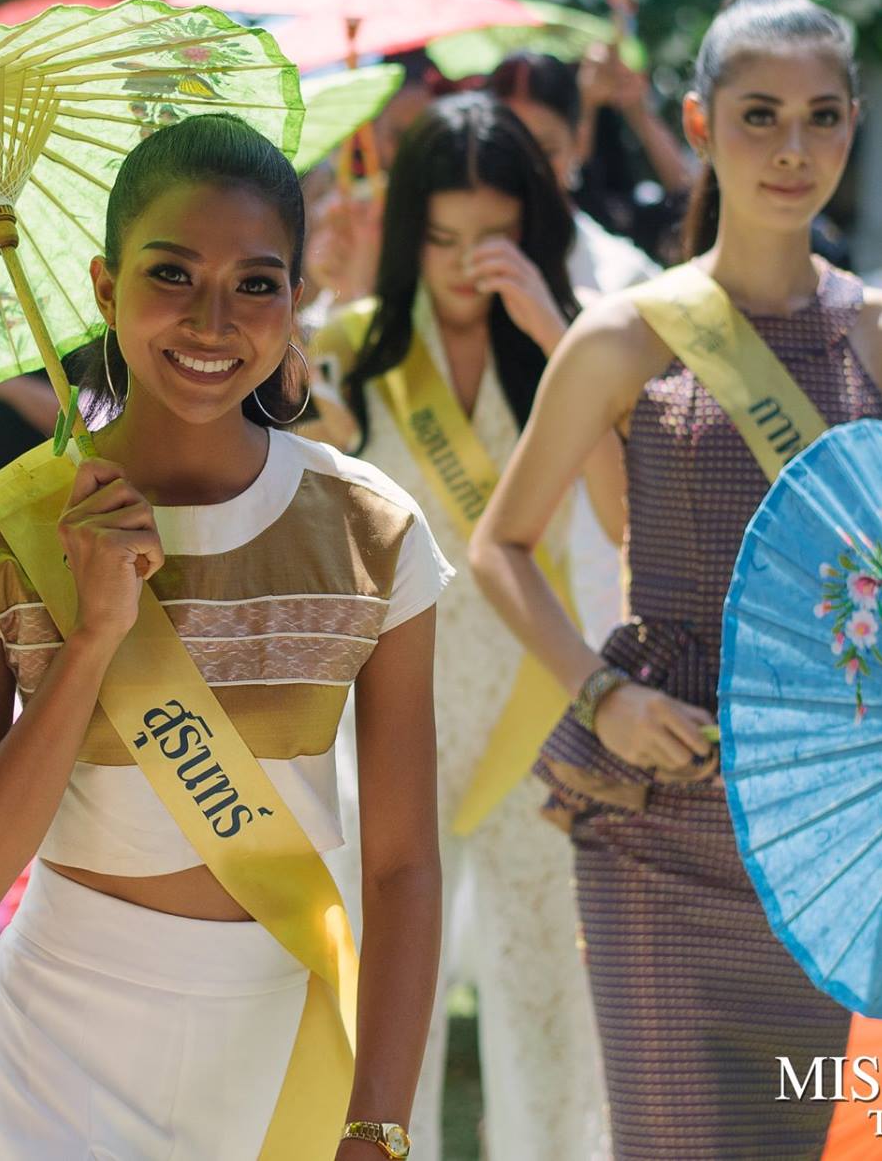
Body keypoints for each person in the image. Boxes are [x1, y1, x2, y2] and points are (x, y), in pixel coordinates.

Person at [0, 114, 450, 1160]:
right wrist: (95, 636)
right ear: (103, 289)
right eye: (170, 273)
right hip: (54, 1062)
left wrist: (376, 1121)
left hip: (284, 1044)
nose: (211, 320)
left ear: (296, 302)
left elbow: (403, 869)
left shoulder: (372, 534)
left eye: (255, 283)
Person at [468, 0, 882, 1159]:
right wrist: (602, 695)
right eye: (756, 116)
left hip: (825, 825)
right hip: (657, 815)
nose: (792, 149)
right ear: (694, 123)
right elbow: (501, 545)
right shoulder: (625, 337)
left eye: (821, 117)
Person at [302, 92, 615, 1160]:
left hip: (535, 702)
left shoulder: (576, 349)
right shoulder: (355, 346)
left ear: (531, 226)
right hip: (397, 710)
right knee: (393, 992)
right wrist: (314, 297)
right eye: (437, 237)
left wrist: (554, 332)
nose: (460, 261)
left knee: (543, 991)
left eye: (489, 236)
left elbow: (628, 508)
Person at [492, 51, 663, 296]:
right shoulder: (451, 263)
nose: (524, 168)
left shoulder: (625, 280)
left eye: (547, 151)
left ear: (578, 142)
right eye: (507, 148)